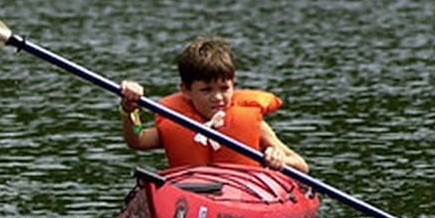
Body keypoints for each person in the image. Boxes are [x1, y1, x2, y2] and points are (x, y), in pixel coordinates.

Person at [119, 36, 308, 173]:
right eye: (206, 90)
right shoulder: (176, 120)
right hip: (191, 194)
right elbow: (137, 140)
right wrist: (130, 110)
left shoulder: (254, 124)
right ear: (186, 90)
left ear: (233, 85)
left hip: (241, 196)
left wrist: (279, 158)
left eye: (224, 88)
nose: (217, 97)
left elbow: (301, 164)